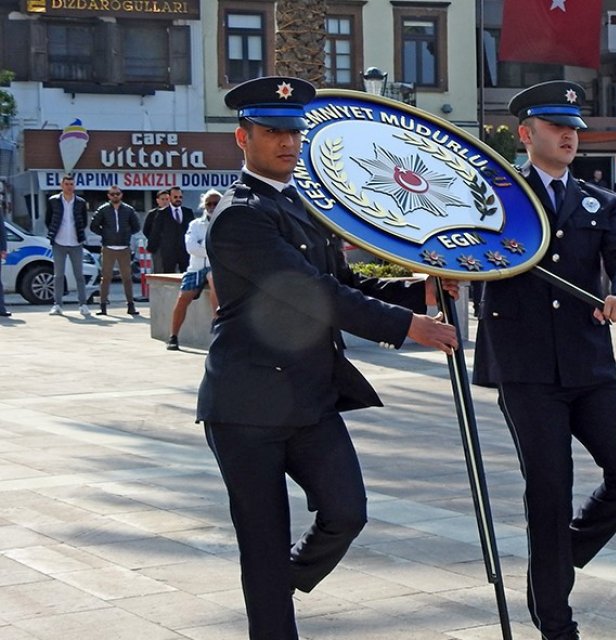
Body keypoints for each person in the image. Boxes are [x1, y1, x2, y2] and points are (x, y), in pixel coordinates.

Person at [197, 76, 459, 640]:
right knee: (263, 538)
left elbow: (341, 279)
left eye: (294, 132)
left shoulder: (303, 206)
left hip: (310, 399)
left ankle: (280, 577)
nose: (287, 143)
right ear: (242, 138)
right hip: (246, 406)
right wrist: (407, 327)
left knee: (346, 511)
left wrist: (423, 291)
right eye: (272, 132)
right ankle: (272, 599)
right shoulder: (239, 215)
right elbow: (311, 292)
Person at [473, 80, 616, 640]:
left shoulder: (598, 201)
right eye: (557, 127)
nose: (570, 135)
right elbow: (460, 247)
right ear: (526, 134)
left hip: (588, 363)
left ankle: (562, 553)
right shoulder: (496, 196)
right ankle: (556, 622)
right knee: (549, 489)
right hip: (524, 366)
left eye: (575, 127)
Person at [167, 189, 222, 350]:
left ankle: (216, 326)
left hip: (216, 267)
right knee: (183, 297)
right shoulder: (195, 224)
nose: (212, 206)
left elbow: (226, 249)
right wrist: (211, 249)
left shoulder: (226, 224)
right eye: (209, 203)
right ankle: (173, 336)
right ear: (204, 206)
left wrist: (203, 246)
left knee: (214, 278)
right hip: (196, 268)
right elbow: (191, 247)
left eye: (215, 203)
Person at [89, 185, 141, 316]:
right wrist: (105, 234)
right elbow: (93, 225)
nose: (115, 196)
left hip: (124, 247)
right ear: (108, 196)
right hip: (108, 247)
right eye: (112, 194)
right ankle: (103, 306)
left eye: (117, 194)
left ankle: (130, 305)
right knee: (106, 277)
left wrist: (126, 234)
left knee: (127, 278)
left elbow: (136, 226)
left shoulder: (128, 210)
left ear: (121, 195)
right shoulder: (103, 209)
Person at [46, 174, 91, 316]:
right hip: (59, 242)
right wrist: (54, 232)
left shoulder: (80, 202)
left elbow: (84, 221)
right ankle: (57, 304)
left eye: (71, 184)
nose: (69, 187)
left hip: (75, 242)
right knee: (58, 275)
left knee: (79, 275)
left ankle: (83, 304)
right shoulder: (53, 201)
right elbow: (48, 219)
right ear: (61, 185)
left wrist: (79, 234)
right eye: (66, 184)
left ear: (74, 186)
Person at [144, 186, 194, 273]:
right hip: (168, 253)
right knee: (169, 278)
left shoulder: (188, 212)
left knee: (186, 276)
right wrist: (152, 247)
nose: (178, 199)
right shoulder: (162, 213)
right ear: (170, 197)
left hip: (185, 252)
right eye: (175, 197)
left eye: (180, 197)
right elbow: (155, 232)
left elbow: (192, 231)